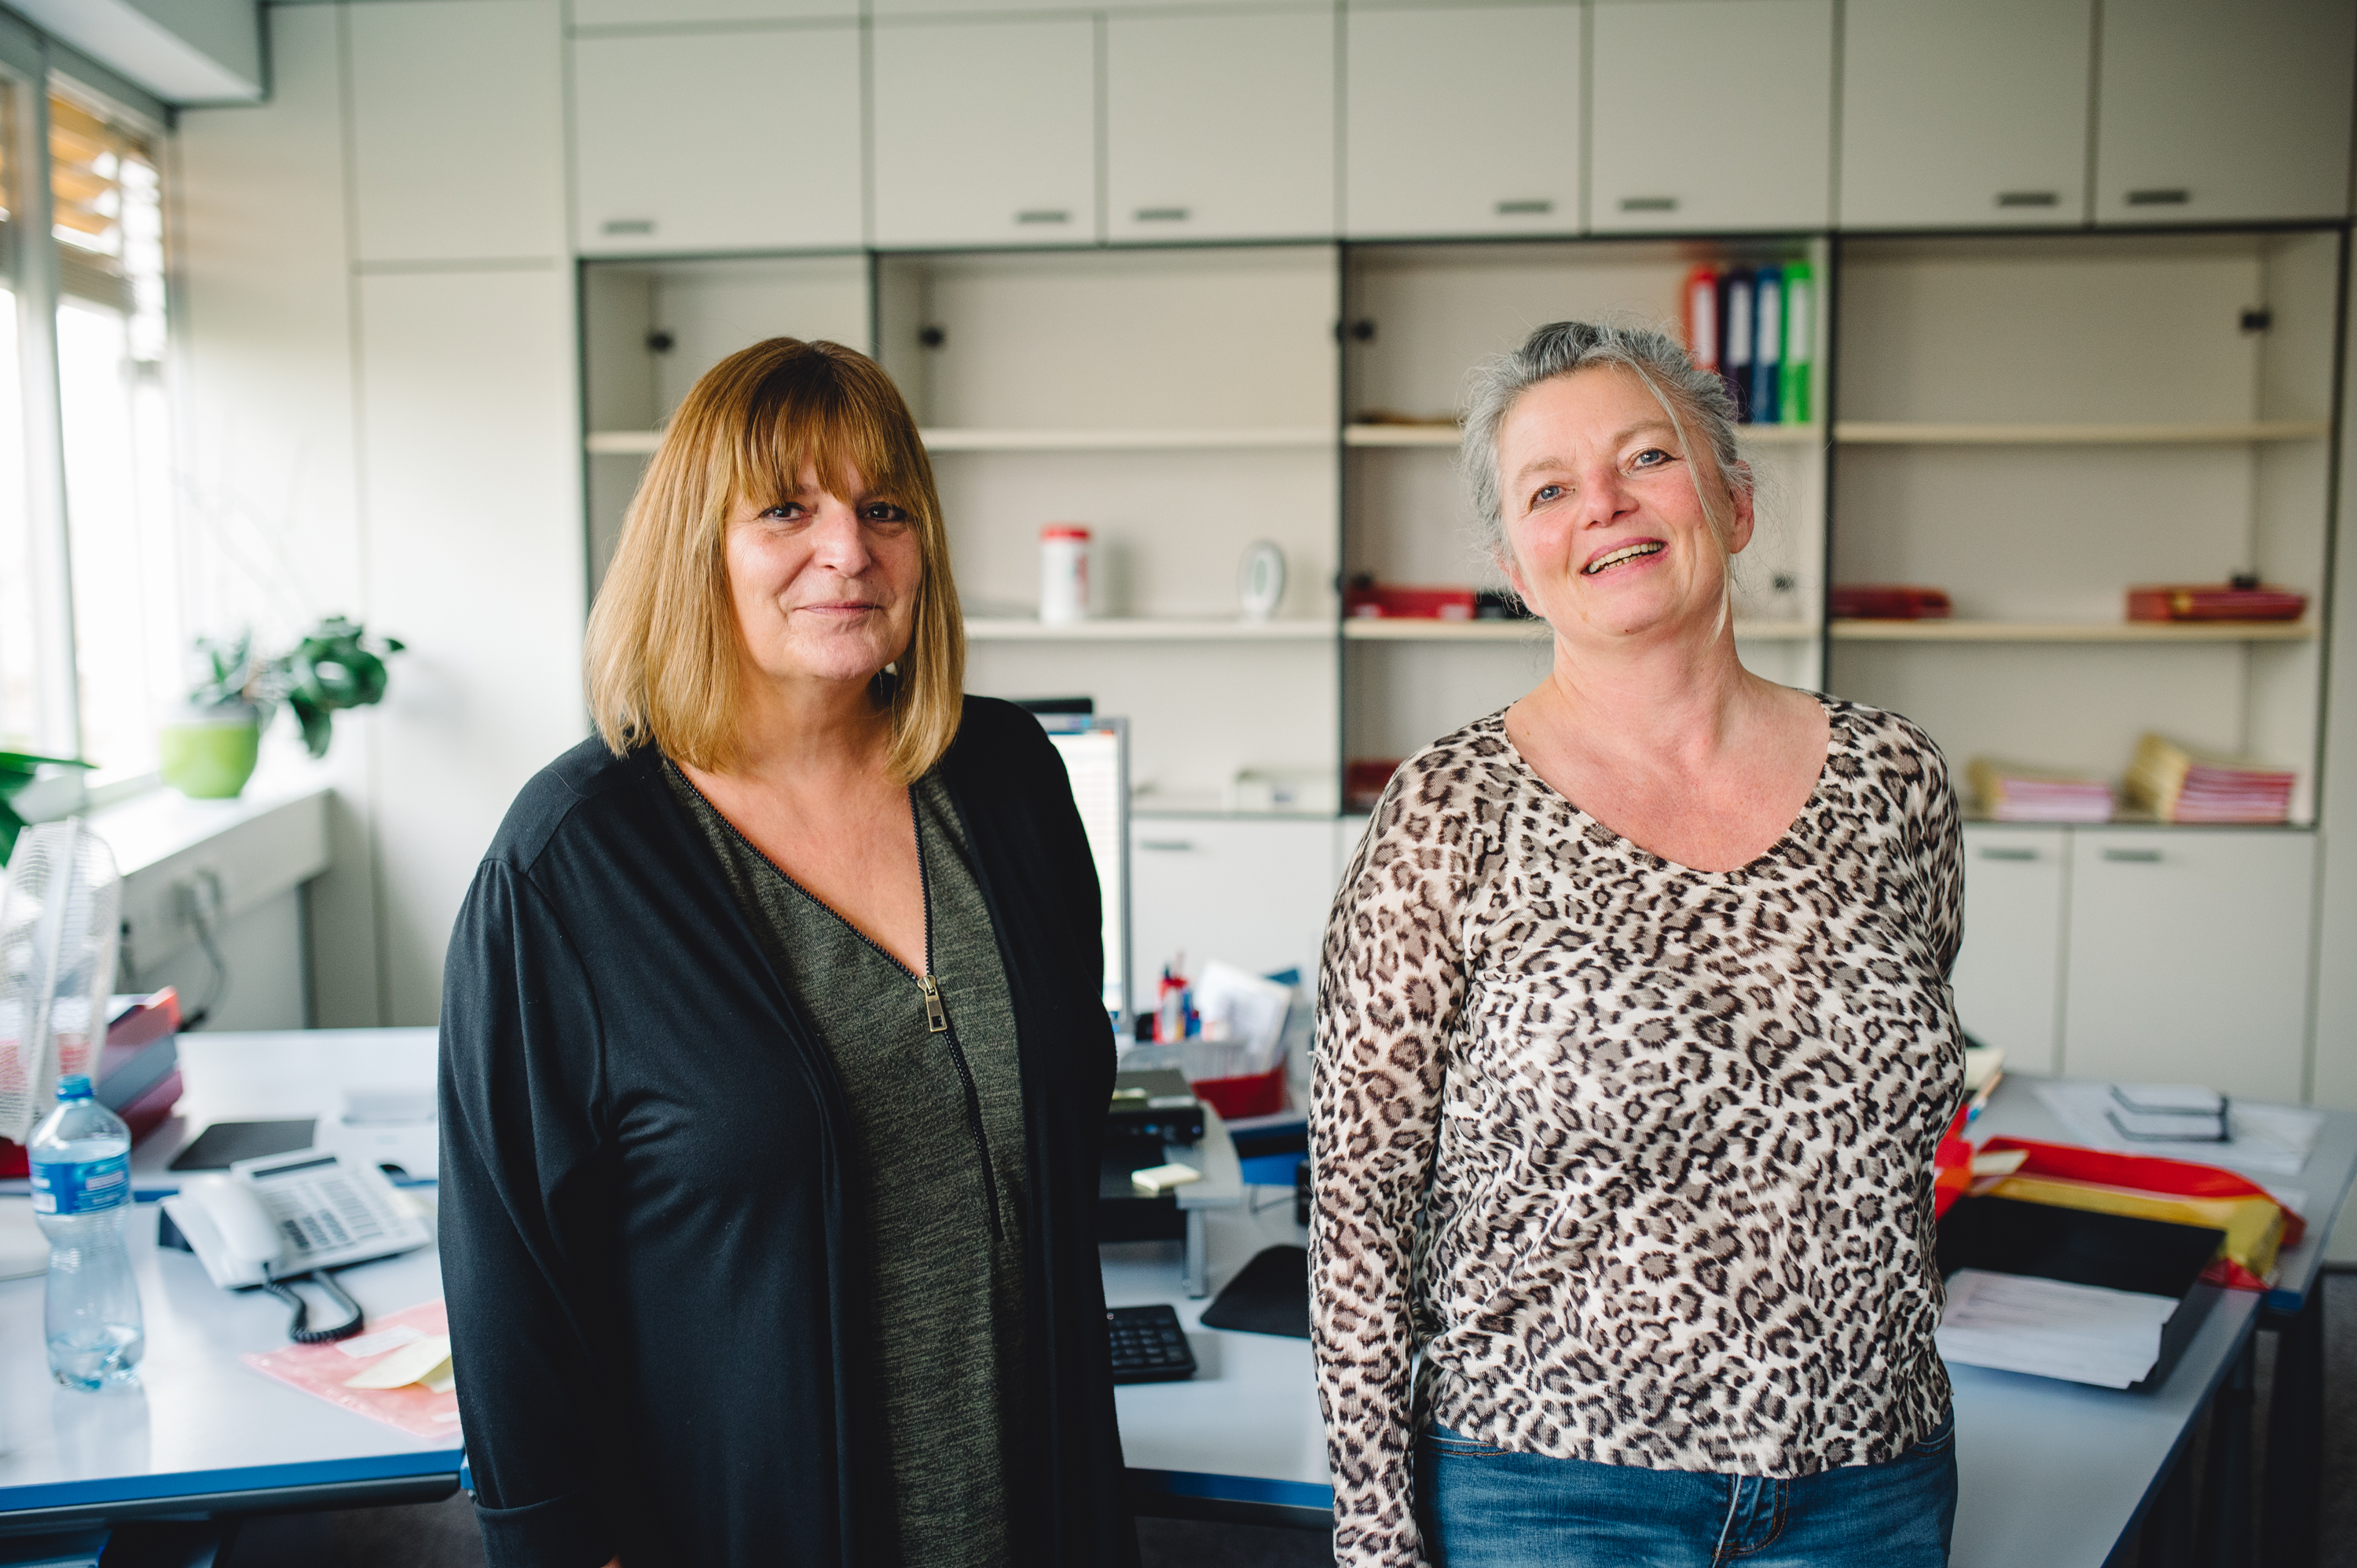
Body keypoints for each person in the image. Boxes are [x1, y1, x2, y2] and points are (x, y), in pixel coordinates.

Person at [439, 337, 1135, 1568]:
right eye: (784, 510)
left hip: (1038, 1512)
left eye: (884, 509)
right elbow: (509, 1278)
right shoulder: (570, 865)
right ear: (694, 549)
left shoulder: (1010, 779)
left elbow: (1066, 1119)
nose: (848, 550)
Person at [1310, 321, 1964, 1568]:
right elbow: (1359, 1208)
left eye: (1646, 457)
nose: (1603, 506)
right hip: (1550, 1489)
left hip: (1872, 1487)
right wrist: (1377, 1537)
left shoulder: (1898, 781)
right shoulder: (1449, 811)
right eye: (1549, 489)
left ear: (1734, 501)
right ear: (1516, 560)